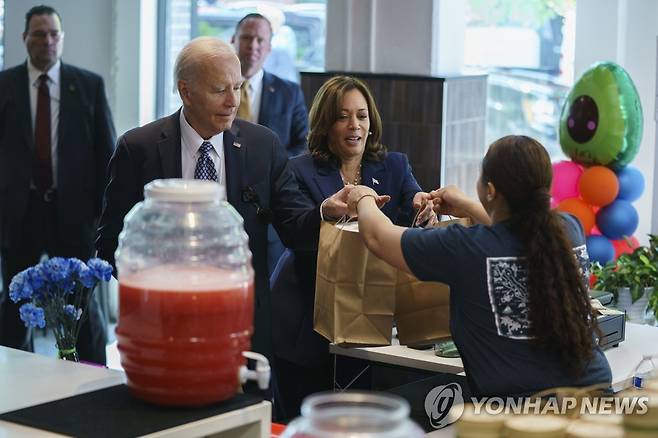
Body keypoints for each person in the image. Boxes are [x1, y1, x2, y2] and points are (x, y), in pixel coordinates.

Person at [95, 37, 347, 365]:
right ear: (186, 91)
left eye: (238, 87)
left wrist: (325, 212)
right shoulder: (138, 148)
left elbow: (295, 227)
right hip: (162, 324)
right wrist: (154, 291)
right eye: (219, 90)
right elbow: (109, 245)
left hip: (242, 325)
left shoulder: (262, 147)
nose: (233, 101)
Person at [347, 135, 612, 397]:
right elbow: (520, 230)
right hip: (596, 402)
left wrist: (363, 198)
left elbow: (378, 238)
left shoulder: (467, 247)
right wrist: (470, 206)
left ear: (491, 190)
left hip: (523, 416)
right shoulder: (568, 229)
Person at [270, 75, 435, 421]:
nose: (354, 125)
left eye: (361, 115)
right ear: (325, 124)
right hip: (305, 315)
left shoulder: (394, 165)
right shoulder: (297, 169)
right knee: (304, 419)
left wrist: (424, 208)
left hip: (372, 315)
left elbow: (412, 216)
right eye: (342, 116)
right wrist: (325, 211)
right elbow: (295, 233)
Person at [0, 5, 115, 365]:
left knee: (85, 304)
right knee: (16, 305)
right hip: (20, 213)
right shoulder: (4, 86)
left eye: (54, 34)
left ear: (62, 38)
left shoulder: (89, 85)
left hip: (75, 213)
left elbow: (106, 154)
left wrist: (102, 217)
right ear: (24, 39)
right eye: (39, 34)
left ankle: (95, 376)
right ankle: (16, 376)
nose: (47, 41)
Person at [232, 13, 309, 274]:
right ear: (234, 40)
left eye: (260, 40)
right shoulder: (217, 90)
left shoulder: (289, 92)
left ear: (269, 47)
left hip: (269, 210)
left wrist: (272, 173)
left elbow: (303, 144)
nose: (253, 46)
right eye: (246, 38)